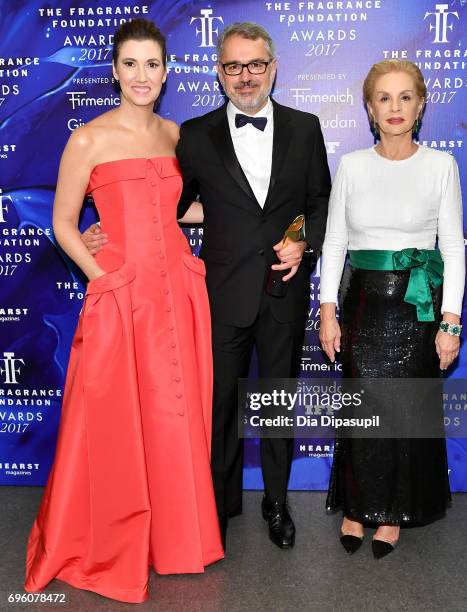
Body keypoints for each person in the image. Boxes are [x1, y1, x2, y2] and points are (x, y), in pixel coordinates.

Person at [84, 21, 331, 549]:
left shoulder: (306, 128)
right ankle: (218, 507)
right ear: (219, 72)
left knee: (277, 405)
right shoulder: (193, 135)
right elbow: (166, 204)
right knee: (217, 410)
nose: (246, 76)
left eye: (256, 64)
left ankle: (277, 502)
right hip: (219, 293)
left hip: (284, 292)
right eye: (234, 66)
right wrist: (107, 228)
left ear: (273, 67)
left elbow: (320, 203)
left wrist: (303, 241)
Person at [25, 19, 223, 604]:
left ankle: (177, 541)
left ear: (167, 71)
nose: (142, 76)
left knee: (174, 417)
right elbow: (63, 222)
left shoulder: (176, 135)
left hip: (179, 293)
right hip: (122, 293)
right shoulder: (88, 138)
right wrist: (101, 273)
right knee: (113, 422)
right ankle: (111, 544)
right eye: (130, 64)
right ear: (114, 70)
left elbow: (184, 209)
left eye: (153, 65)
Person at [319, 59, 465, 558]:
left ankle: (393, 513)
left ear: (421, 105)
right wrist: (327, 309)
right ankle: (358, 509)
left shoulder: (441, 165)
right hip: (362, 306)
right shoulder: (353, 166)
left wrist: (450, 321)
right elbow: (335, 240)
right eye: (384, 98)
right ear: (369, 108)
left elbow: (453, 248)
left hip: (417, 307)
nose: (395, 107)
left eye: (405, 97)